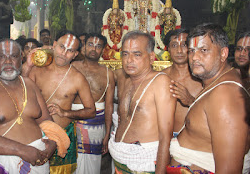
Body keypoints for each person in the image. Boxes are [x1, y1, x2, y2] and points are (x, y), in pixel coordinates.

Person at [0, 39, 70, 173]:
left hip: (37, 159)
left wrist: (53, 142)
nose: (8, 61)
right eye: (2, 56)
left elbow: (46, 120)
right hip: (0, 162)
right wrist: (22, 151)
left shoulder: (29, 84)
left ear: (21, 59)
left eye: (13, 56)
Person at [168, 23, 250, 173]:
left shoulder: (225, 95)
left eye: (203, 50)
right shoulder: (215, 83)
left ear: (223, 53)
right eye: (191, 51)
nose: (194, 57)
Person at [27, 30, 96, 173]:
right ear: (53, 45)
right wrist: (27, 66)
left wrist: (64, 113)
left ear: (75, 54)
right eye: (61, 47)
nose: (64, 53)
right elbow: (21, 94)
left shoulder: (78, 78)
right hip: (34, 133)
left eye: (70, 50)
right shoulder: (37, 70)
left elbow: (91, 111)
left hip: (64, 135)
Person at [109, 31, 176, 173]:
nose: (129, 60)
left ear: (151, 57)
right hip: (121, 161)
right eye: (125, 54)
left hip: (144, 164)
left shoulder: (160, 82)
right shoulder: (128, 81)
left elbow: (166, 135)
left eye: (137, 54)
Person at [72, 33, 115, 174]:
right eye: (90, 44)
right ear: (84, 46)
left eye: (98, 46)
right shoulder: (72, 67)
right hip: (71, 124)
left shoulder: (108, 73)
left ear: (103, 50)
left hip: (96, 126)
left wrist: (107, 133)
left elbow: (109, 106)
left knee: (92, 167)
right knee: (71, 164)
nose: (93, 49)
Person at [162, 29, 202, 134]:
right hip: (164, 136)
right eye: (174, 45)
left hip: (193, 139)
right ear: (168, 49)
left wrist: (190, 101)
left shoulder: (202, 78)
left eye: (184, 45)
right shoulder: (161, 77)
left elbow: (213, 115)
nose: (179, 51)